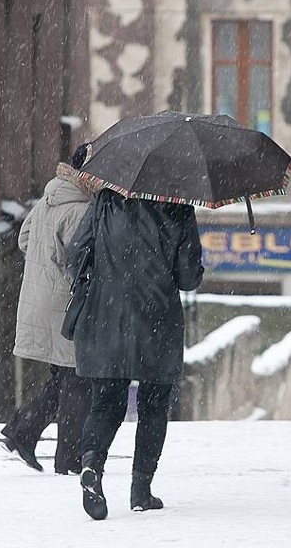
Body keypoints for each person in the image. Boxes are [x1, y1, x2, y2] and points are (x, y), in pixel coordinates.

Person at [65, 187, 204, 520]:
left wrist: (97, 281)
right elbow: (187, 277)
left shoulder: (105, 200)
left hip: (104, 314)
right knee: (154, 406)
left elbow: (74, 254)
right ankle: (141, 490)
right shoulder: (178, 207)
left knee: (106, 402)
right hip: (157, 317)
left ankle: (92, 465)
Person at [1, 147, 95, 475]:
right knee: (78, 379)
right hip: (63, 305)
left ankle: (22, 431)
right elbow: (79, 261)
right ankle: (68, 460)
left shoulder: (50, 198)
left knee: (63, 376)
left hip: (41, 298)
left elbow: (25, 240)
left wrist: (45, 268)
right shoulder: (79, 210)